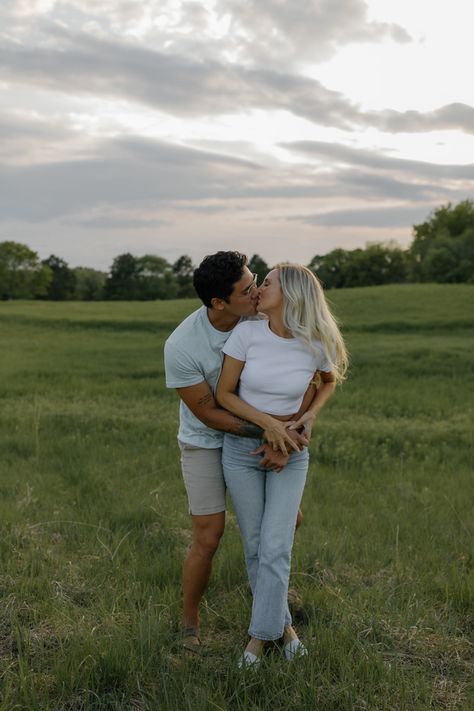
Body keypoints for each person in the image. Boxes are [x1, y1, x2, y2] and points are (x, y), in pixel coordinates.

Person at [164, 252, 307, 654]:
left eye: (257, 280)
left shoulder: (262, 317)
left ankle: (271, 591)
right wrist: (271, 431)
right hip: (207, 440)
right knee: (209, 537)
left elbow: (303, 376)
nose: (257, 291)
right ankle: (189, 624)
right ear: (218, 304)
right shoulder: (181, 346)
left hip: (263, 434)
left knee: (287, 520)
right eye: (247, 290)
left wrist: (287, 434)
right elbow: (209, 413)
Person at [216, 263, 348, 667]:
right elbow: (224, 394)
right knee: (256, 546)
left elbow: (327, 381)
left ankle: (258, 638)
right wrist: (269, 425)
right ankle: (285, 630)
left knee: (276, 545)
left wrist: (306, 420)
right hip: (242, 451)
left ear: (288, 294)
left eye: (267, 283)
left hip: (291, 453)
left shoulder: (314, 342)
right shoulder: (247, 333)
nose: (259, 290)